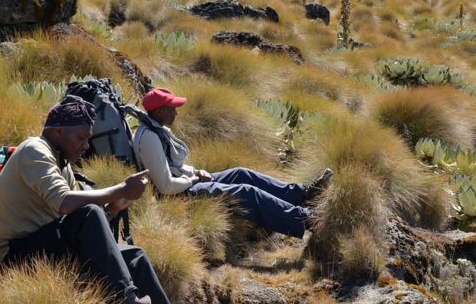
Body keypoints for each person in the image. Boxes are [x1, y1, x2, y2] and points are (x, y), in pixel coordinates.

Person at [0, 93, 190, 304]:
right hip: (11, 257)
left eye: (88, 139)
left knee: (133, 255)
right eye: (81, 138)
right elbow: (65, 204)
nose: (85, 146)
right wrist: (121, 189)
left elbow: (84, 223)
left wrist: (113, 208)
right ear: (58, 132)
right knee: (90, 213)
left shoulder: (63, 165)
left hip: (41, 244)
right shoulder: (34, 150)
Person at [131, 87, 332, 238]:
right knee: (246, 192)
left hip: (182, 184)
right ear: (159, 112)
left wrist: (195, 171)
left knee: (241, 173)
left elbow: (172, 166)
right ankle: (305, 219)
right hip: (176, 196)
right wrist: (191, 180)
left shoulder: (156, 129)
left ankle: (301, 194)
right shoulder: (149, 138)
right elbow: (165, 187)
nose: (176, 112)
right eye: (172, 108)